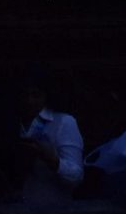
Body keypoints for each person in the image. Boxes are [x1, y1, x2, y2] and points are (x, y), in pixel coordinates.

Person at [17, 65, 83, 206]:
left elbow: (76, 176)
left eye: (36, 95)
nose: (29, 101)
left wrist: (52, 160)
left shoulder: (64, 122)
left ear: (46, 95)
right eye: (25, 95)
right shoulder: (12, 122)